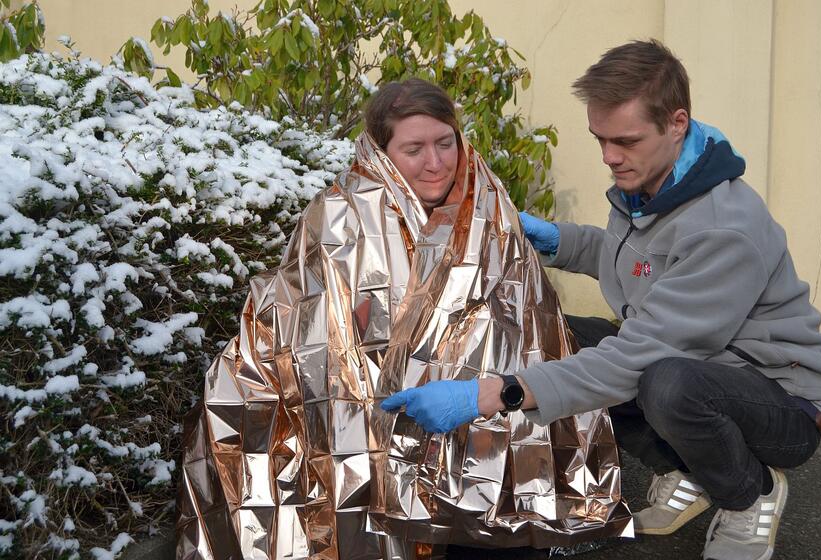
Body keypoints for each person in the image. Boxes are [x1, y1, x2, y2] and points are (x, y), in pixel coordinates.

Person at [380, 40, 821, 560]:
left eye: (624, 140)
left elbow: (635, 358)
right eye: (600, 139)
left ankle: (748, 492)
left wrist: (490, 394)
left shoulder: (722, 227)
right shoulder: (653, 182)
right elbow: (642, 263)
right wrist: (558, 240)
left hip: (779, 399)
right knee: (557, 339)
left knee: (666, 384)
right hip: (696, 356)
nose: (609, 156)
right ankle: (689, 472)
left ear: (677, 122)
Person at [178, 77, 630, 560]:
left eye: (444, 143)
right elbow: (320, 343)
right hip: (378, 425)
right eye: (414, 149)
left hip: (487, 429)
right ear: (381, 151)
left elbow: (527, 324)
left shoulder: (491, 209)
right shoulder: (338, 218)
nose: (435, 162)